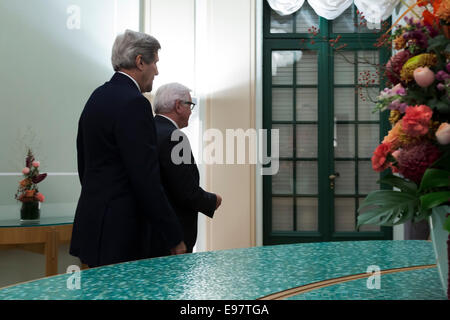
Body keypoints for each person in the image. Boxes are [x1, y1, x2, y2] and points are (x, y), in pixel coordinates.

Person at [70, 30, 186, 268]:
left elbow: (84, 161)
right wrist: (174, 236)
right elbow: (146, 178)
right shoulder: (135, 103)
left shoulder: (97, 96)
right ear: (140, 61)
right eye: (155, 62)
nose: (157, 71)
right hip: (121, 233)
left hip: (93, 224)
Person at [153, 82, 222, 253]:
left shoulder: (146, 130)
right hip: (174, 235)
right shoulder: (175, 138)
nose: (191, 111)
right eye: (190, 105)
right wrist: (213, 201)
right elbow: (185, 191)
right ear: (178, 106)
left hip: (151, 233)